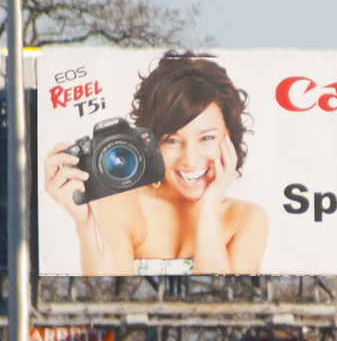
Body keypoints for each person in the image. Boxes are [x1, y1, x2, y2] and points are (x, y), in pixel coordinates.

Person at [43, 51, 269, 276]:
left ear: (230, 137)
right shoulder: (123, 204)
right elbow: (105, 301)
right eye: (172, 140)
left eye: (207, 138)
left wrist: (208, 208)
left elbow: (225, 306)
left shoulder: (247, 218)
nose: (190, 159)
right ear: (150, 142)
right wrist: (86, 225)